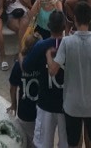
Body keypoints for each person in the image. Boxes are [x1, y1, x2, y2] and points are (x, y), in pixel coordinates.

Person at [47, 1, 91, 148]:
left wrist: (48, 55)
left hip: (72, 104)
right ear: (90, 19)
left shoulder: (67, 43)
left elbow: (53, 71)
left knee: (74, 142)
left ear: (75, 19)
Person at [23, 9, 67, 148]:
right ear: (64, 26)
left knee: (43, 144)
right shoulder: (71, 44)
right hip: (66, 103)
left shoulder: (41, 46)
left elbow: (26, 66)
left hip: (46, 101)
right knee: (66, 144)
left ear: (48, 26)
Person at [8, 30, 41, 146]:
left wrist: (14, 104)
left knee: (25, 141)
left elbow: (13, 87)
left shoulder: (18, 65)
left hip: (24, 111)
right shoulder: (43, 64)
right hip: (41, 111)